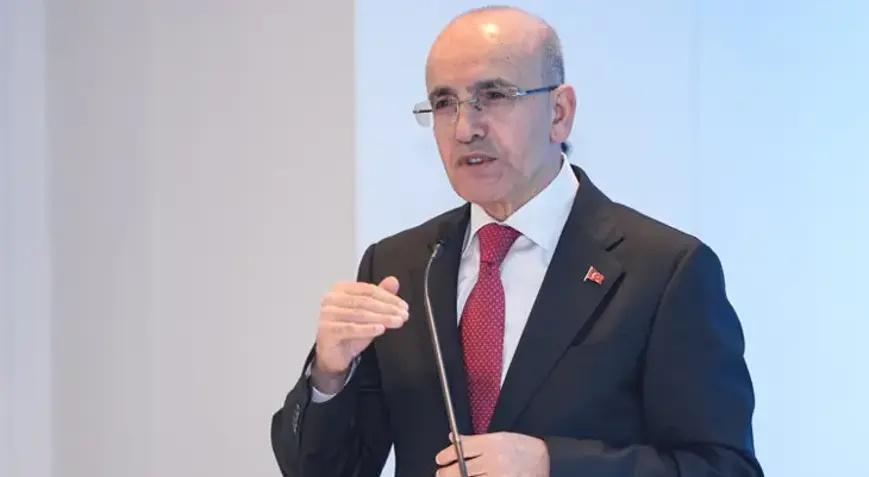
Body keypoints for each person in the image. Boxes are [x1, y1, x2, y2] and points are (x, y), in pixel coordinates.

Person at [271, 6, 762, 477]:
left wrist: (553, 466)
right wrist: (329, 377)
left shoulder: (663, 270)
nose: (465, 128)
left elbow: (724, 468)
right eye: (444, 103)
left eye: (494, 95)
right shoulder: (400, 266)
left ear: (559, 112)